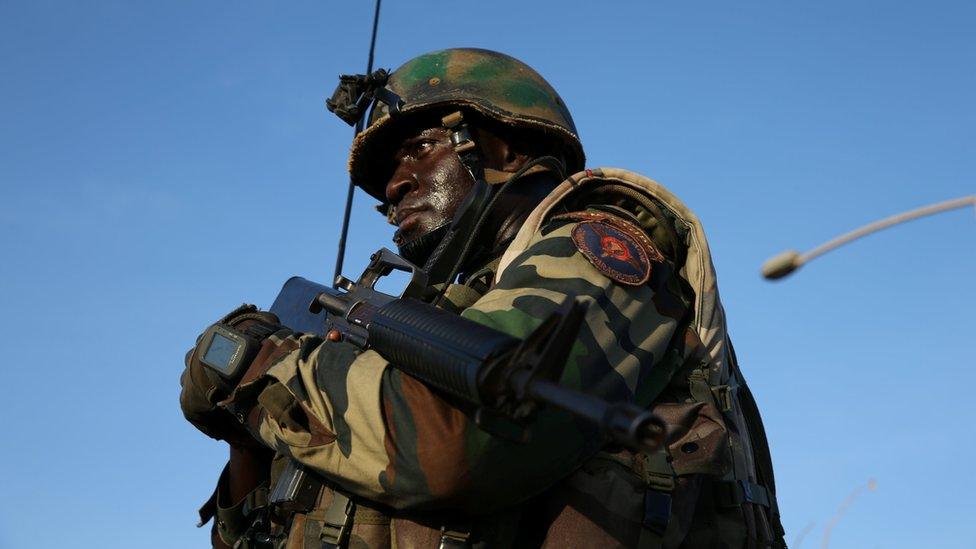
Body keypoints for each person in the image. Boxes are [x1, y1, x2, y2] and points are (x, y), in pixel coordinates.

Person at [180, 48, 786, 548]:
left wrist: (248, 368)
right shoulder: (438, 319)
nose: (393, 188)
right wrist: (245, 431)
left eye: (418, 150)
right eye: (388, 175)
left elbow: (452, 444)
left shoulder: (599, 246)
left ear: (502, 146)